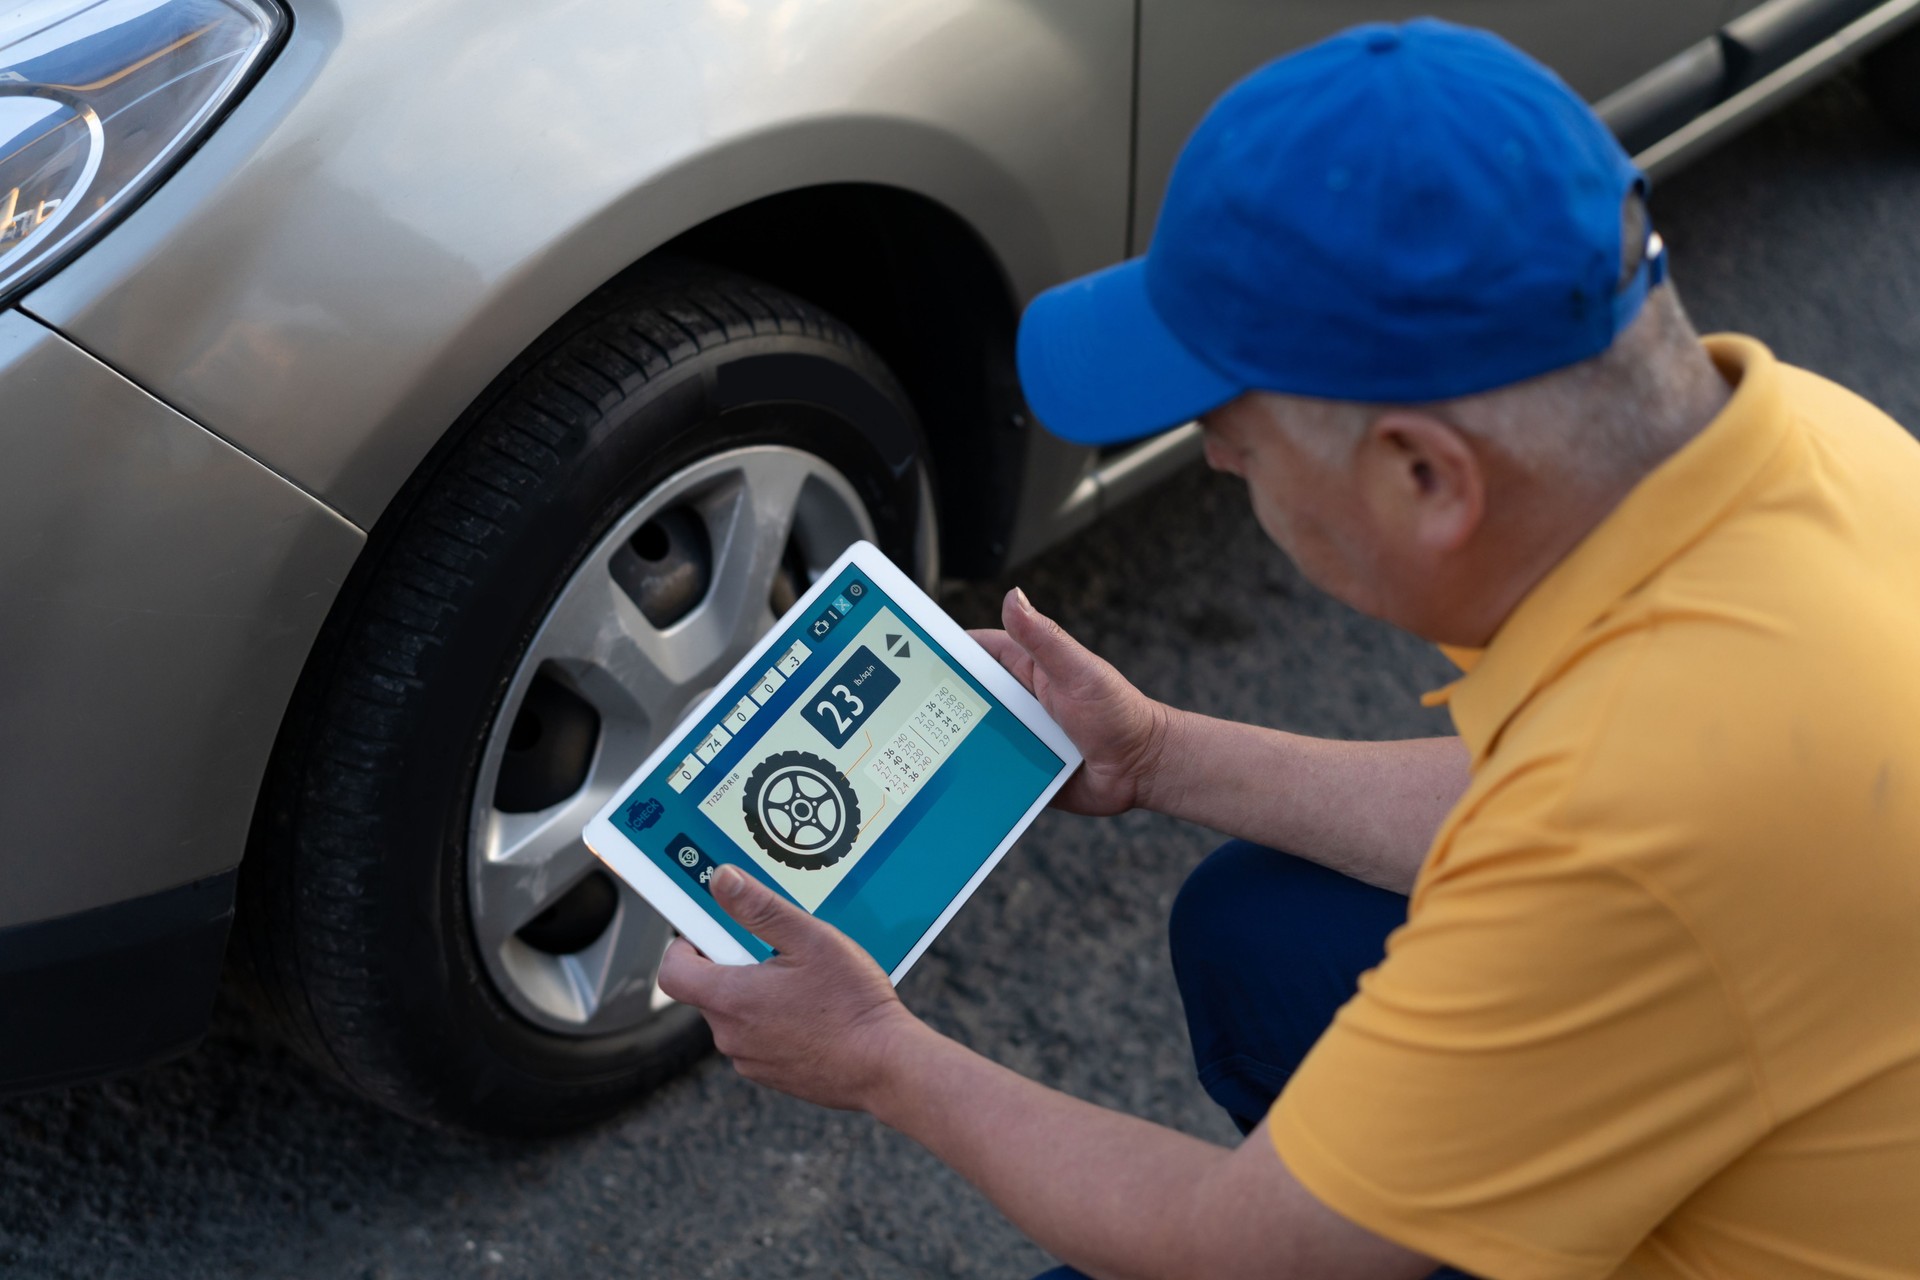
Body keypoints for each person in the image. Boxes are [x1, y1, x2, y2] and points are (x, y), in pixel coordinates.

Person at [659, 20, 1920, 1279]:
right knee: (1263, 925)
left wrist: (880, 1056)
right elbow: (1535, 796)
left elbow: (1247, 1248)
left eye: (1235, 432)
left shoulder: (1639, 823)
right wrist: (1156, 751)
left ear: (1426, 474)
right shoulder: (1803, 442)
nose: (1213, 458)